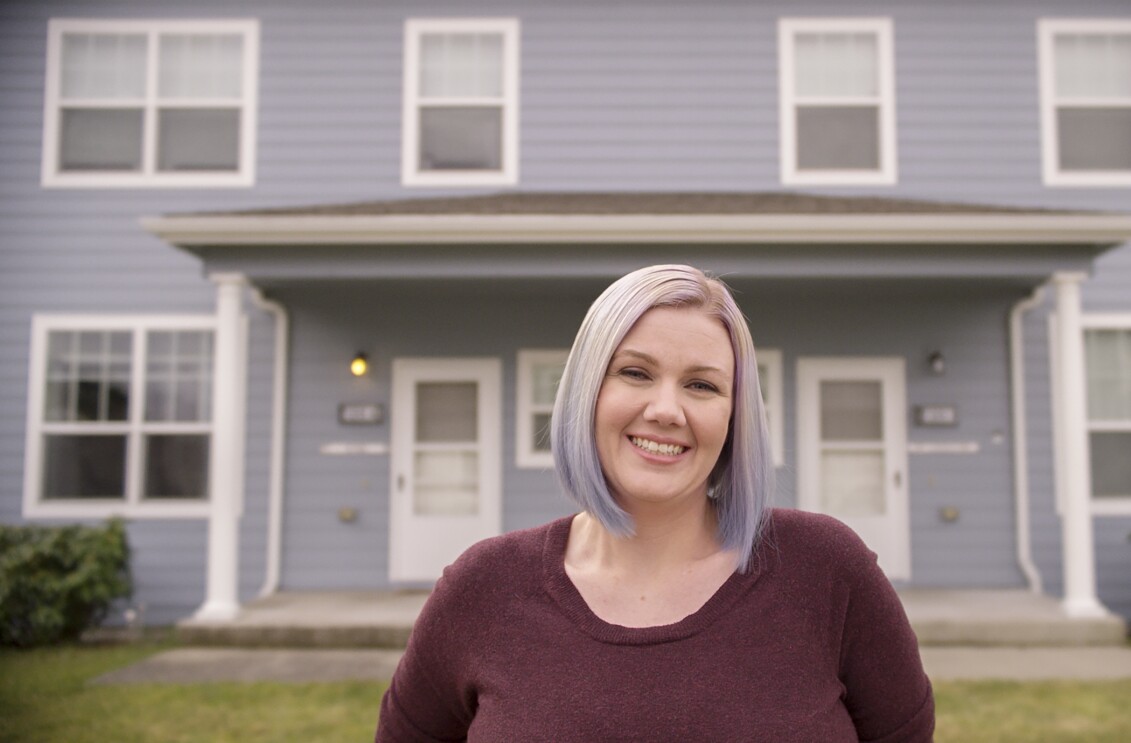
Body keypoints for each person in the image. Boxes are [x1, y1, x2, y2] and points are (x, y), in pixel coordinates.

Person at [375, 264, 934, 742]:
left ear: (735, 417)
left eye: (702, 385)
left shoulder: (826, 569)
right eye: (636, 373)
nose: (666, 409)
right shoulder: (483, 587)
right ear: (587, 394)